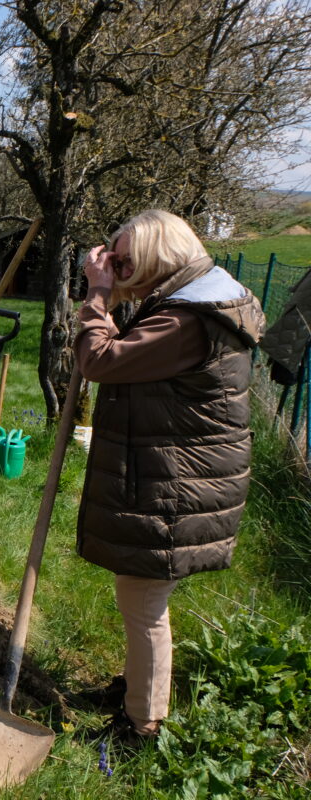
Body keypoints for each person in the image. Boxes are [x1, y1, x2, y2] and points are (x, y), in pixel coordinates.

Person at [75, 209, 265, 742]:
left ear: (157, 257)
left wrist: (96, 297)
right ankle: (141, 688)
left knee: (142, 603)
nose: (118, 268)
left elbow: (101, 361)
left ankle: (142, 725)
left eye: (126, 260)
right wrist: (108, 303)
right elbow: (125, 358)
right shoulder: (193, 301)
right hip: (176, 477)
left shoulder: (188, 318)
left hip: (177, 487)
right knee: (141, 599)